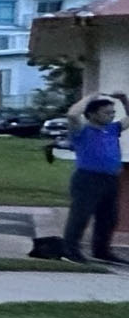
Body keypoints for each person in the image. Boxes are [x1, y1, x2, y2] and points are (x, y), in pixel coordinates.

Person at [61, 91, 128, 264]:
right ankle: (70, 251)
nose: (111, 116)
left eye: (113, 113)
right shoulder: (82, 130)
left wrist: (124, 101)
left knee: (109, 218)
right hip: (88, 178)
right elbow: (72, 114)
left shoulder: (112, 129)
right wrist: (92, 96)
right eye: (106, 112)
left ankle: (101, 251)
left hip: (110, 179)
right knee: (81, 216)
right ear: (92, 114)